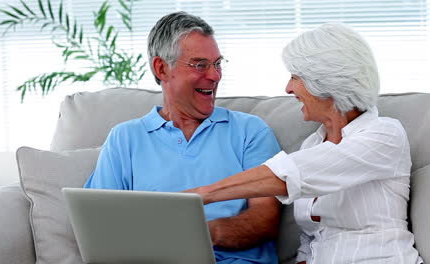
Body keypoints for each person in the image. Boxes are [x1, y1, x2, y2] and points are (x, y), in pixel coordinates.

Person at [186, 23, 423, 264]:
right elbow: (312, 242)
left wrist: (199, 196)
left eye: (295, 77)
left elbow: (288, 174)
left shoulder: (384, 135)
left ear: (326, 82)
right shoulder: (312, 144)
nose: (288, 88)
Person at [84, 11, 282, 264]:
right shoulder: (125, 138)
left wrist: (200, 233)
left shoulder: (250, 131)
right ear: (162, 68)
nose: (215, 75)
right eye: (200, 65)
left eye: (217, 63)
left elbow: (265, 218)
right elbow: (102, 225)